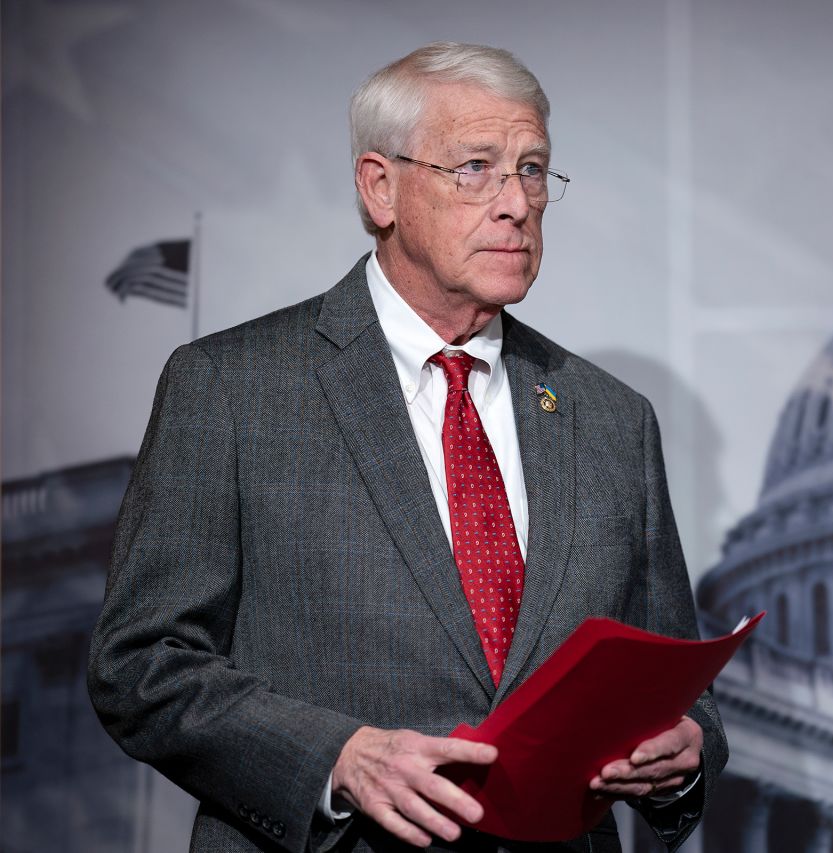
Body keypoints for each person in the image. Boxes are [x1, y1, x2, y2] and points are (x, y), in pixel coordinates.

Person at [87, 42, 726, 853]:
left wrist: (686, 752)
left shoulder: (613, 418)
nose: (516, 203)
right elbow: (140, 665)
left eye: (533, 170)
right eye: (475, 167)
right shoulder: (231, 387)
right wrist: (338, 760)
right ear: (379, 187)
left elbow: (672, 680)